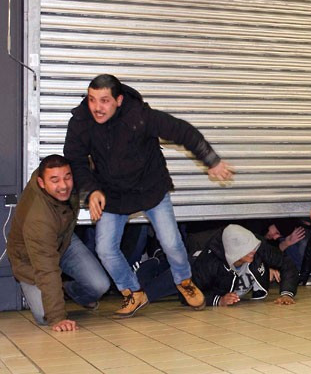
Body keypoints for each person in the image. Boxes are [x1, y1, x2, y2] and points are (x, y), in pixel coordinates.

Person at [63, 74, 234, 318]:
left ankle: (184, 281)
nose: (97, 108)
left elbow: (182, 131)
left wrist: (211, 160)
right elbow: (75, 160)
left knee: (172, 243)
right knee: (105, 248)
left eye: (104, 101)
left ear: (119, 100)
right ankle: (132, 292)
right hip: (112, 192)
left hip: (149, 187)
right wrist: (91, 190)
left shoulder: (140, 116)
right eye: (92, 100)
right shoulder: (81, 121)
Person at [7, 155, 110, 331]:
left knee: (100, 285)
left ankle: (67, 290)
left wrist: (95, 191)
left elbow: (98, 162)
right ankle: (55, 294)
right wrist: (58, 318)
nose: (63, 186)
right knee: (44, 317)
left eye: (67, 177)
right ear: (41, 183)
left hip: (64, 241)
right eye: (54, 180)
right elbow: (46, 269)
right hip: (31, 258)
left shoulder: (74, 176)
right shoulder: (38, 217)